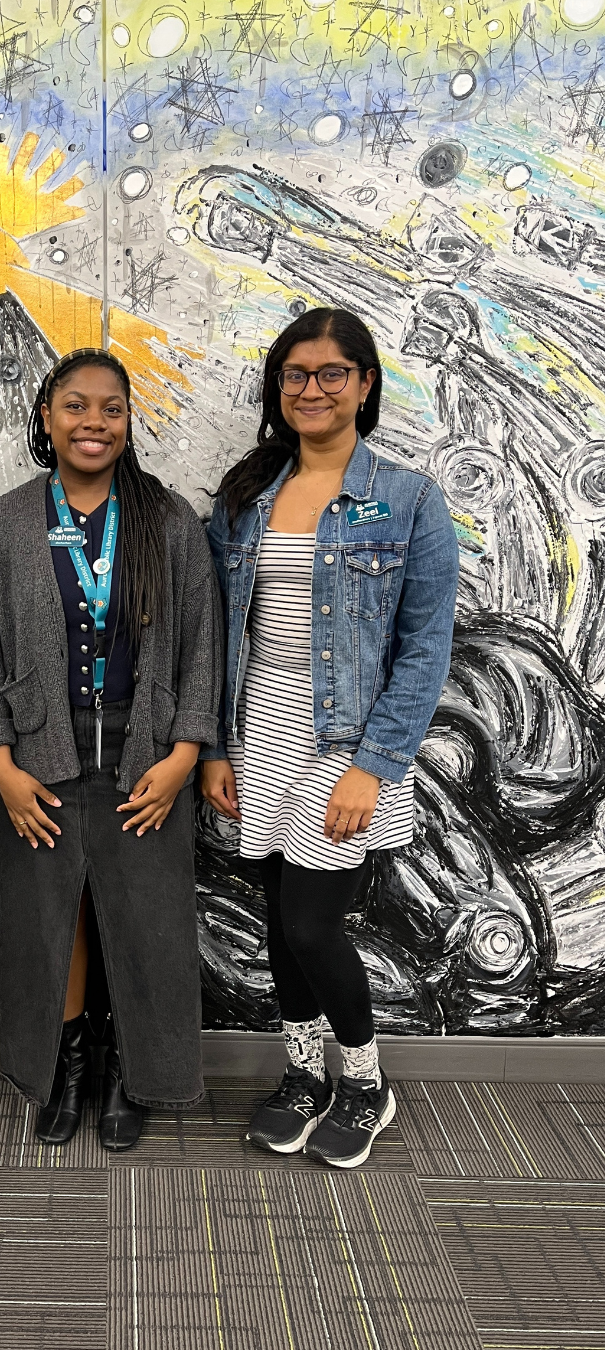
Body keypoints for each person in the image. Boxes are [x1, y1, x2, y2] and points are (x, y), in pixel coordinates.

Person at [202, 308, 459, 1168]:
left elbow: (426, 647)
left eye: (331, 374)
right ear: (279, 390)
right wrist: (215, 748)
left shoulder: (411, 498)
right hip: (258, 730)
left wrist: (374, 766)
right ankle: (303, 1075)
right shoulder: (248, 494)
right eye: (295, 375)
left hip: (342, 741)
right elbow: (214, 631)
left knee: (312, 924)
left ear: (365, 383)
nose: (311, 389)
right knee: (279, 919)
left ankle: (365, 1082)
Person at [0, 348, 222, 1150]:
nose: (94, 423)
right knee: (52, 920)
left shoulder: (166, 519)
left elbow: (202, 644)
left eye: (111, 408)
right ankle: (68, 1066)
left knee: (146, 923)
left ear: (128, 421)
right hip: (39, 762)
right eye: (75, 406)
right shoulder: (6, 522)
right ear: (46, 417)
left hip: (145, 758)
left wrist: (185, 753)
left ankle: (132, 1073)